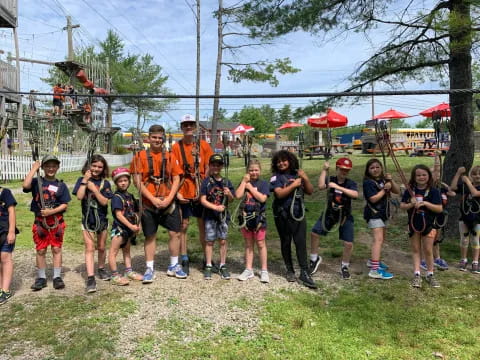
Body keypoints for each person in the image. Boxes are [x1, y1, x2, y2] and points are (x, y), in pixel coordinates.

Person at [130, 124, 185, 283]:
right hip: (148, 203)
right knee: (150, 235)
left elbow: (176, 178)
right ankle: (149, 268)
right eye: (154, 137)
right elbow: (137, 181)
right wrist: (152, 199)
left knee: (175, 233)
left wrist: (169, 198)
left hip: (168, 202)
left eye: (160, 138)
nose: (157, 140)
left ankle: (174, 265)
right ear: (148, 138)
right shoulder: (140, 157)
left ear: (163, 139)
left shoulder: (169, 156)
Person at [171, 114, 213, 275]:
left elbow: (209, 165)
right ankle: (184, 257)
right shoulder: (176, 147)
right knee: (184, 225)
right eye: (185, 125)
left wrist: (203, 186)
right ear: (181, 127)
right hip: (184, 191)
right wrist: (177, 193)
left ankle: (206, 258)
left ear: (195, 127)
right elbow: (173, 171)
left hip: (200, 190)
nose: (188, 127)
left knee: (203, 226)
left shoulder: (203, 145)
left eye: (191, 125)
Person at [23, 155, 71, 291]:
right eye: (48, 166)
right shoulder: (36, 182)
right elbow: (25, 185)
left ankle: (57, 277)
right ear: (43, 167)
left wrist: (51, 212)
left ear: (58, 167)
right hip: (40, 223)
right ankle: (41, 278)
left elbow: (64, 205)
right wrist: (33, 169)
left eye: (54, 166)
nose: (51, 168)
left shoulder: (60, 185)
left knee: (56, 248)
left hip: (56, 222)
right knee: (41, 249)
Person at [270, 150, 316, 289]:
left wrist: (305, 178)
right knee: (286, 241)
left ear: (290, 160)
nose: (281, 163)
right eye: (278, 161)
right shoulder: (275, 178)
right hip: (282, 214)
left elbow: (309, 191)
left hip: (298, 213)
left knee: (300, 242)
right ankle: (290, 270)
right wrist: (294, 185)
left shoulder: (298, 175)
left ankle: (304, 271)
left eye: (284, 160)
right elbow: (279, 194)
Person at [310, 158, 358, 280]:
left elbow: (355, 194)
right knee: (315, 233)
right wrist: (324, 170)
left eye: (346, 170)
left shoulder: (350, 183)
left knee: (348, 243)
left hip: (344, 214)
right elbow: (321, 185)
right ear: (337, 169)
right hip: (330, 213)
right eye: (342, 169)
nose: (344, 172)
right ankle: (314, 259)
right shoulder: (331, 179)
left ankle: (345, 266)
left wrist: (338, 187)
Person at [72, 155, 113, 293]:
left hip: (101, 220)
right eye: (94, 166)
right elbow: (79, 196)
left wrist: (95, 189)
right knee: (90, 248)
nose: (96, 169)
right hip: (88, 220)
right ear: (89, 166)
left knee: (101, 247)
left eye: (99, 167)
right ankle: (90, 277)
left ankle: (101, 268)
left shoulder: (105, 183)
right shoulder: (82, 180)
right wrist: (85, 181)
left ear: (103, 168)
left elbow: (104, 201)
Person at [400, 164, 443, 288]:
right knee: (415, 249)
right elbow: (402, 206)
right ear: (414, 177)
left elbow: (439, 208)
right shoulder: (410, 190)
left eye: (424, 175)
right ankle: (417, 274)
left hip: (428, 225)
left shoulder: (433, 191)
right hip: (414, 224)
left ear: (428, 176)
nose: (421, 177)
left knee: (428, 250)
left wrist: (425, 203)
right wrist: (411, 204)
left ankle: (430, 274)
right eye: (418, 175)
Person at [200, 154, 235, 280]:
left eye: (218, 165)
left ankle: (222, 265)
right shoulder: (206, 182)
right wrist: (215, 207)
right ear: (210, 166)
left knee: (223, 240)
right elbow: (202, 200)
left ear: (222, 166)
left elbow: (231, 200)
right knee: (209, 241)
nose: (216, 167)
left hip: (223, 217)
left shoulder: (226, 182)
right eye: (213, 165)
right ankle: (208, 264)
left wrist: (229, 194)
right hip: (210, 216)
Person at [362, 159, 399, 280]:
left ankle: (373, 261)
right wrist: (384, 189)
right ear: (368, 170)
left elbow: (397, 191)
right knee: (378, 240)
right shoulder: (368, 183)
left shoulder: (383, 180)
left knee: (382, 239)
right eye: (372, 168)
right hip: (374, 213)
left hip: (384, 213)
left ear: (381, 168)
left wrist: (390, 180)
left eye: (377, 167)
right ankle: (374, 270)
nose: (375, 169)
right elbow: (373, 199)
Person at [235, 160, 270, 283]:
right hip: (246, 219)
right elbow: (238, 195)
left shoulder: (263, 184)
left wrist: (250, 188)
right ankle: (248, 269)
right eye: (251, 170)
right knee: (249, 244)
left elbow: (262, 198)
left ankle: (264, 270)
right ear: (247, 172)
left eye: (256, 170)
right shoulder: (245, 182)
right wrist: (244, 182)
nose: (254, 172)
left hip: (259, 219)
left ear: (260, 171)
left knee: (261, 244)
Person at [108, 168, 143, 286]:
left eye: (125, 180)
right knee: (113, 252)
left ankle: (129, 271)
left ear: (129, 181)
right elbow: (119, 214)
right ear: (116, 183)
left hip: (129, 229)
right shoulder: (116, 197)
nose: (123, 183)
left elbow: (136, 212)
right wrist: (131, 226)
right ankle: (114, 275)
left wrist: (138, 226)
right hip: (119, 230)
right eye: (120, 181)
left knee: (127, 251)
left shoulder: (130, 196)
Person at [420, 153, 453, 271]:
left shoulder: (441, 187)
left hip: (439, 217)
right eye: (435, 174)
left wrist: (443, 184)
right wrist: (436, 159)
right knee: (426, 239)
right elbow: (436, 168)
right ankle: (423, 260)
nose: (437, 175)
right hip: (429, 217)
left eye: (439, 174)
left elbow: (452, 193)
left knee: (436, 239)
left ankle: (437, 258)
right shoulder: (430, 188)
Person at [450, 165, 480, 273]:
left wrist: (467, 181)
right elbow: (453, 187)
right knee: (464, 239)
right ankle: (463, 259)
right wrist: (458, 173)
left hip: (477, 219)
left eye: (479, 174)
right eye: (475, 174)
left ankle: (475, 262)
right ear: (471, 175)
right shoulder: (466, 186)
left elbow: (475, 193)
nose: (477, 176)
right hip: (464, 217)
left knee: (475, 240)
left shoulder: (471, 186)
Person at [0, 185, 18, 304]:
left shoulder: (5, 192)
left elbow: (11, 212)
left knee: (5, 258)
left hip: (5, 231)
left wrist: (11, 231)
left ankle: (5, 290)